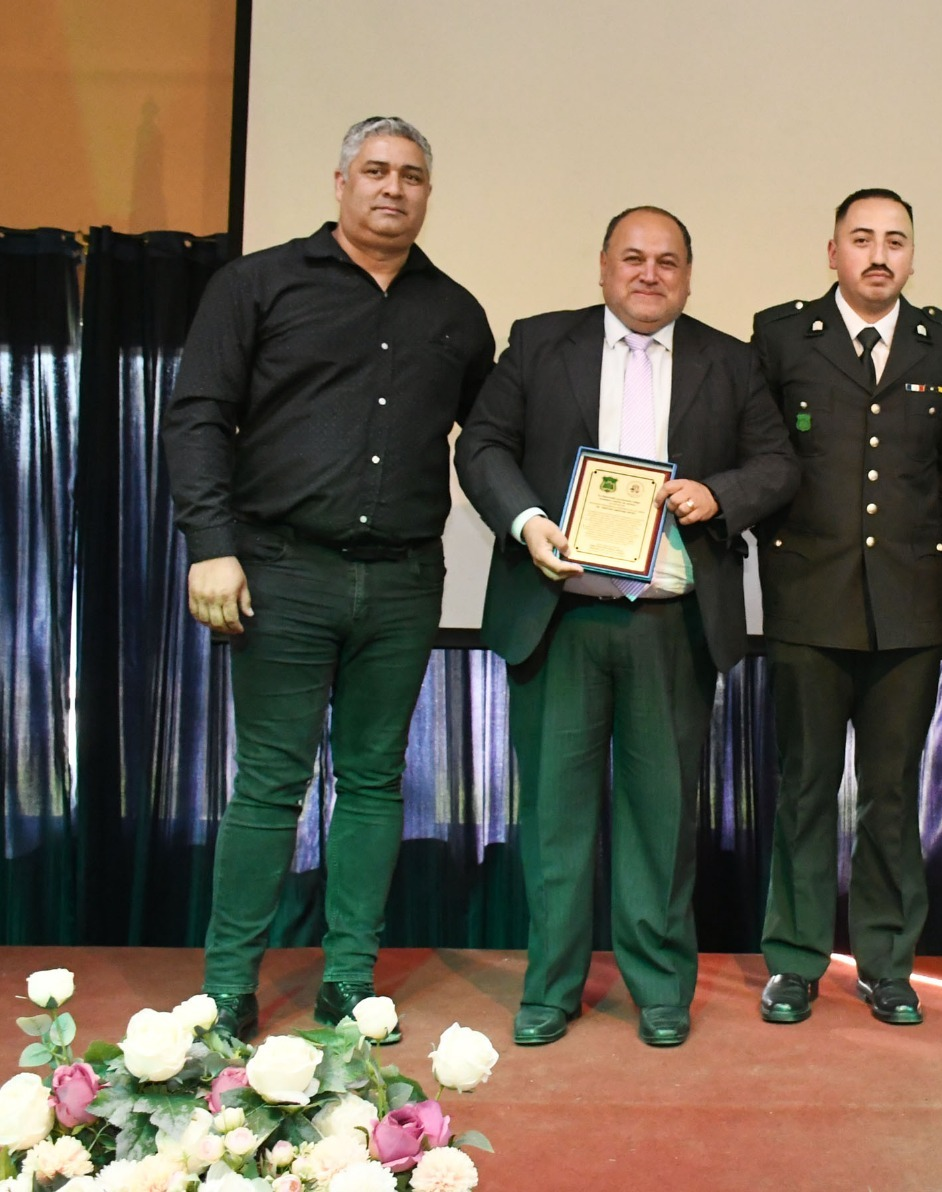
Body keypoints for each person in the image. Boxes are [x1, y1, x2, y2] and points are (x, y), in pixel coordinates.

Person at [163, 116, 495, 1042]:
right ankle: (228, 986)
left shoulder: (457, 314)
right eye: (377, 171)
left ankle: (350, 980)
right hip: (277, 572)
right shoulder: (256, 284)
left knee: (376, 781)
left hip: (400, 584)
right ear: (341, 181)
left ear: (429, 193)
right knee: (269, 784)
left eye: (413, 176)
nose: (394, 188)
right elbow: (196, 418)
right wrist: (208, 542)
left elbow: (494, 446)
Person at [454, 206, 798, 1048]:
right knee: (556, 823)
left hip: (670, 627)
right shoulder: (539, 343)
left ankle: (659, 988)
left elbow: (779, 462)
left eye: (668, 261)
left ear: (689, 273)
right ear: (603, 265)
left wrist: (719, 496)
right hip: (561, 617)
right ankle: (551, 987)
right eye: (633, 258)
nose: (650, 274)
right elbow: (482, 446)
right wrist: (529, 522)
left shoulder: (731, 359)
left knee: (661, 819)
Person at [751, 189, 942, 1027]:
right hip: (807, 601)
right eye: (862, 239)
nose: (879, 254)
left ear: (912, 255)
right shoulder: (781, 336)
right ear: (833, 252)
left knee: (891, 793)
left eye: (896, 241)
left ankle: (886, 964)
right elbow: (760, 454)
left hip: (907, 610)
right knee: (805, 787)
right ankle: (796, 963)